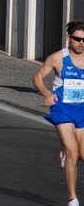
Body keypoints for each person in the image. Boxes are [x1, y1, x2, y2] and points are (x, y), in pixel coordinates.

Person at [33, 21, 84, 206]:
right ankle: (73, 198)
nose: (81, 43)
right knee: (73, 152)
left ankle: (65, 149)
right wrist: (47, 93)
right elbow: (37, 77)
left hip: (82, 110)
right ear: (69, 38)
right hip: (62, 109)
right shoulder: (58, 58)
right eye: (77, 39)